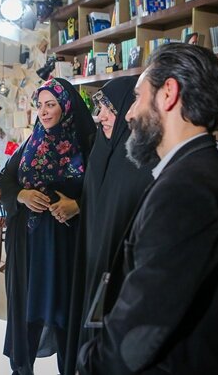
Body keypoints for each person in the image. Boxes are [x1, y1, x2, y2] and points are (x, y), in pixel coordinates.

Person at [77, 43, 218, 374]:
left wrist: (90, 362)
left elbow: (141, 330)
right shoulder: (193, 172)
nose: (129, 113)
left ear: (168, 94)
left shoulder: (188, 189)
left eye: (138, 97)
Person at [0, 78, 95, 375]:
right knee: (28, 308)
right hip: (29, 246)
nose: (43, 111)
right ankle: (21, 368)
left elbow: (106, 189)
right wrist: (21, 195)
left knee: (65, 310)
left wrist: (79, 205)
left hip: (67, 247)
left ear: (65, 106)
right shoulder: (32, 141)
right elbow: (7, 178)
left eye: (50, 104)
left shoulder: (87, 144)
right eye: (39, 105)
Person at [63, 77, 157, 375]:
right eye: (100, 108)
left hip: (118, 271)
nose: (100, 116)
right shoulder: (102, 149)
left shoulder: (141, 162)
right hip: (91, 257)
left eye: (109, 109)